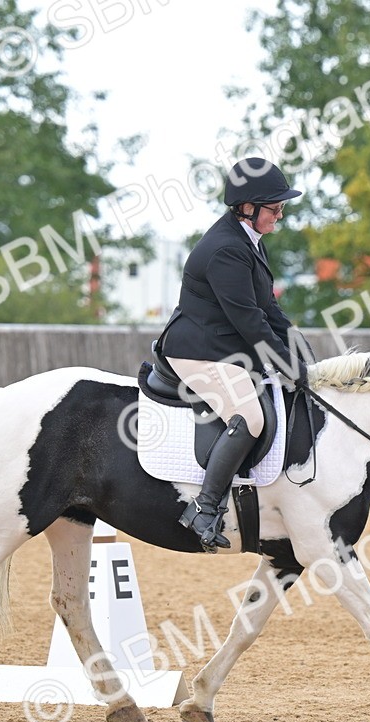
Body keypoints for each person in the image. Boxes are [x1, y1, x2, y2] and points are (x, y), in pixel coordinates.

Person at [156, 157, 313, 551]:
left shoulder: (248, 241)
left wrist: (299, 350)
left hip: (224, 345)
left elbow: (268, 308)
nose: (280, 214)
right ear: (247, 207)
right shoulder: (226, 249)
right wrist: (286, 364)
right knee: (250, 417)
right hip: (196, 349)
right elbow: (250, 322)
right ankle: (204, 508)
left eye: (281, 206)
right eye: (274, 207)